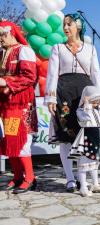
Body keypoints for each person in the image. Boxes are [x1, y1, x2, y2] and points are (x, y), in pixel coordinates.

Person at [45, 13, 100, 192]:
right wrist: (51, 97)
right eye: (64, 24)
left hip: (84, 96)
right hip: (64, 95)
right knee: (66, 139)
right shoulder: (58, 48)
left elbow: (95, 74)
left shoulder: (91, 49)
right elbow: (52, 74)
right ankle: (70, 179)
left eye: (69, 24)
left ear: (78, 26)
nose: (65, 27)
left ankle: (85, 178)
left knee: (86, 136)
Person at [0, 20, 37, 194]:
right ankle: (17, 176)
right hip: (7, 103)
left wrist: (5, 81)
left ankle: (29, 178)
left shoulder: (24, 51)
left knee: (22, 141)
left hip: (21, 102)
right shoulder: (2, 53)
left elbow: (29, 77)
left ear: (12, 33)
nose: (0, 38)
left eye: (3, 34)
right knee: (10, 139)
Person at [69, 86, 100, 196]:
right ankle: (83, 187)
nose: (97, 102)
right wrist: (87, 106)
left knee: (95, 162)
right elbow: (85, 119)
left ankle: (95, 183)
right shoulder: (81, 110)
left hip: (97, 138)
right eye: (94, 100)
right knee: (84, 163)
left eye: (98, 100)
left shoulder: (97, 111)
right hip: (87, 139)